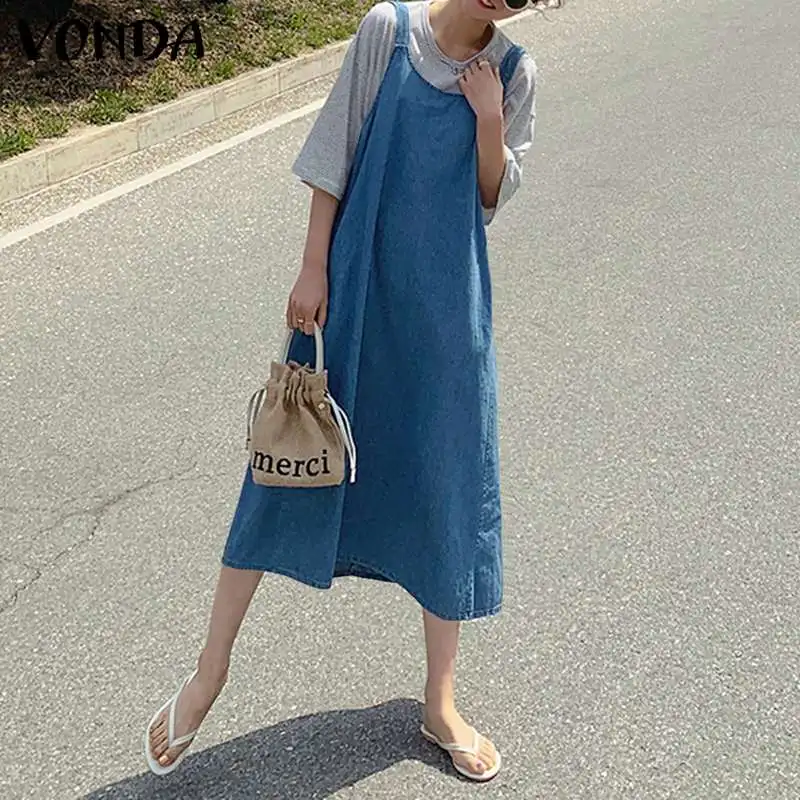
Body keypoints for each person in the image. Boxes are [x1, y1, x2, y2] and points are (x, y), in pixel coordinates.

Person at [145, 0, 550, 783]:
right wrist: (312, 266)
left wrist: (490, 119)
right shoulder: (386, 32)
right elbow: (333, 154)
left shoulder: (514, 71)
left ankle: (440, 702)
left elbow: (490, 198)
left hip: (443, 320)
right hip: (352, 294)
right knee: (276, 475)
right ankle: (208, 673)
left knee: (445, 490)